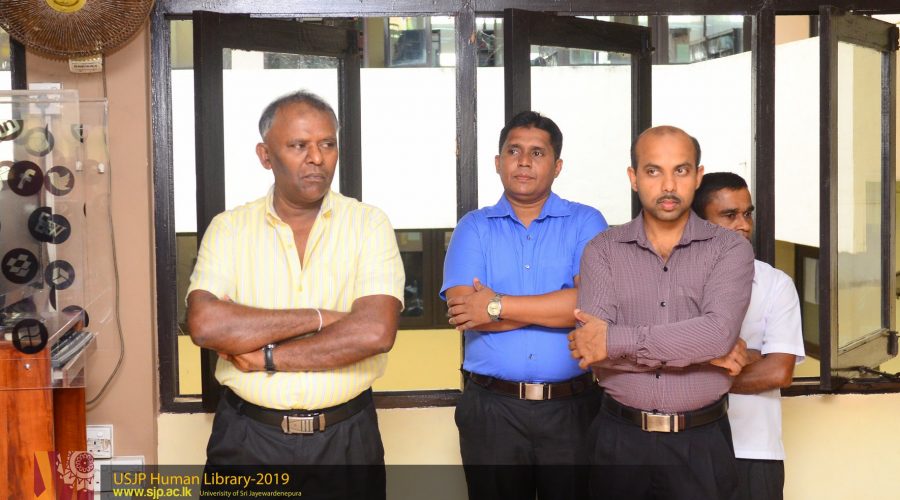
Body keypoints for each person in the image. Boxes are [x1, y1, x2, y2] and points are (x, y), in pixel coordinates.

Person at [185, 90, 404, 498]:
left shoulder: (369, 225)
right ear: (265, 155)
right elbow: (205, 324)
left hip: (346, 442)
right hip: (248, 440)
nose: (317, 158)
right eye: (299, 146)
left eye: (327, 144)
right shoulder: (229, 229)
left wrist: (266, 356)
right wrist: (320, 318)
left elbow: (374, 333)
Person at [569, 125, 755, 500]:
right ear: (633, 177)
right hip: (620, 442)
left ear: (697, 176)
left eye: (680, 170)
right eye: (653, 170)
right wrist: (700, 353)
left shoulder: (730, 250)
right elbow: (592, 350)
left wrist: (616, 340)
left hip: (701, 445)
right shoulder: (602, 250)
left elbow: (717, 335)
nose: (668, 185)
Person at [441, 110, 609, 500]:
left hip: (573, 409)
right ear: (498, 162)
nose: (524, 161)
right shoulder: (473, 227)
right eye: (514, 151)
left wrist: (495, 306)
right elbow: (465, 311)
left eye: (537, 153)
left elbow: (593, 307)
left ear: (557, 166)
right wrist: (558, 307)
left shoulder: (586, 222)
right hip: (491, 411)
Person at [692, 172, 805, 500]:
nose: (743, 225)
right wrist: (750, 357)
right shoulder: (673, 283)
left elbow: (778, 372)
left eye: (747, 214)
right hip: (685, 448)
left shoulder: (775, 284)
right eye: (729, 215)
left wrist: (689, 377)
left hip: (754, 452)